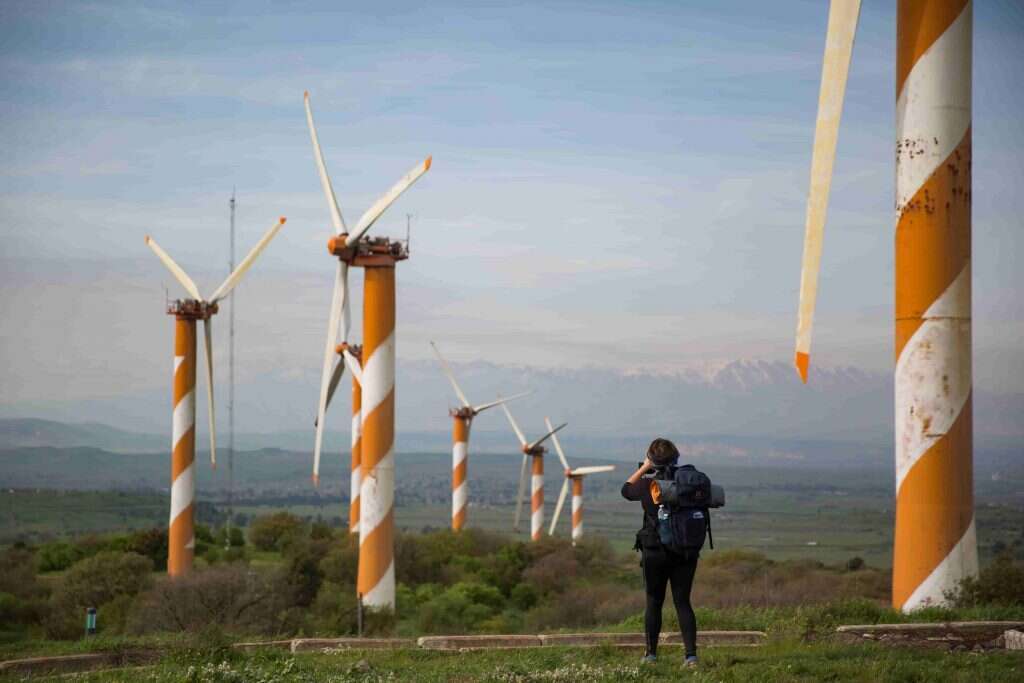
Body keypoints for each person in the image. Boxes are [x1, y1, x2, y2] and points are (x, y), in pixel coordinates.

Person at [621, 438, 699, 668]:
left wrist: (645, 467)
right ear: (676, 458)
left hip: (655, 551)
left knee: (654, 601)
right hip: (685, 551)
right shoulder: (689, 484)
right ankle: (691, 656)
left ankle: (651, 655)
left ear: (652, 459)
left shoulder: (648, 486)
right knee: (683, 602)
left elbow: (626, 490)